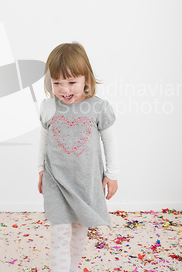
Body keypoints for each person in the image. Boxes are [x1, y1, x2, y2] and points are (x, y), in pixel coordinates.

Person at [37, 41, 120, 271]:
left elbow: (109, 141)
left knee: (78, 231)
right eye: (57, 83)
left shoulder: (98, 107)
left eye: (72, 82)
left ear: (86, 79)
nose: (65, 89)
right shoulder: (48, 107)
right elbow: (43, 141)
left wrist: (112, 174)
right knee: (59, 233)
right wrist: (40, 171)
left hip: (85, 182)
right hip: (56, 181)